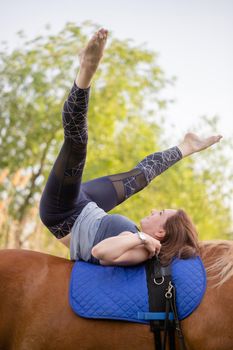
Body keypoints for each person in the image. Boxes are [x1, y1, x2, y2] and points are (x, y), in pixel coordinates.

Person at [39, 28, 222, 266]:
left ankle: (87, 69)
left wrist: (138, 238)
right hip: (86, 206)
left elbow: (100, 252)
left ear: (161, 233)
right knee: (139, 178)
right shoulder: (141, 239)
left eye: (160, 213)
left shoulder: (143, 250)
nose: (155, 209)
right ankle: (185, 147)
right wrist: (139, 236)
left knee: (77, 144)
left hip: (62, 213)